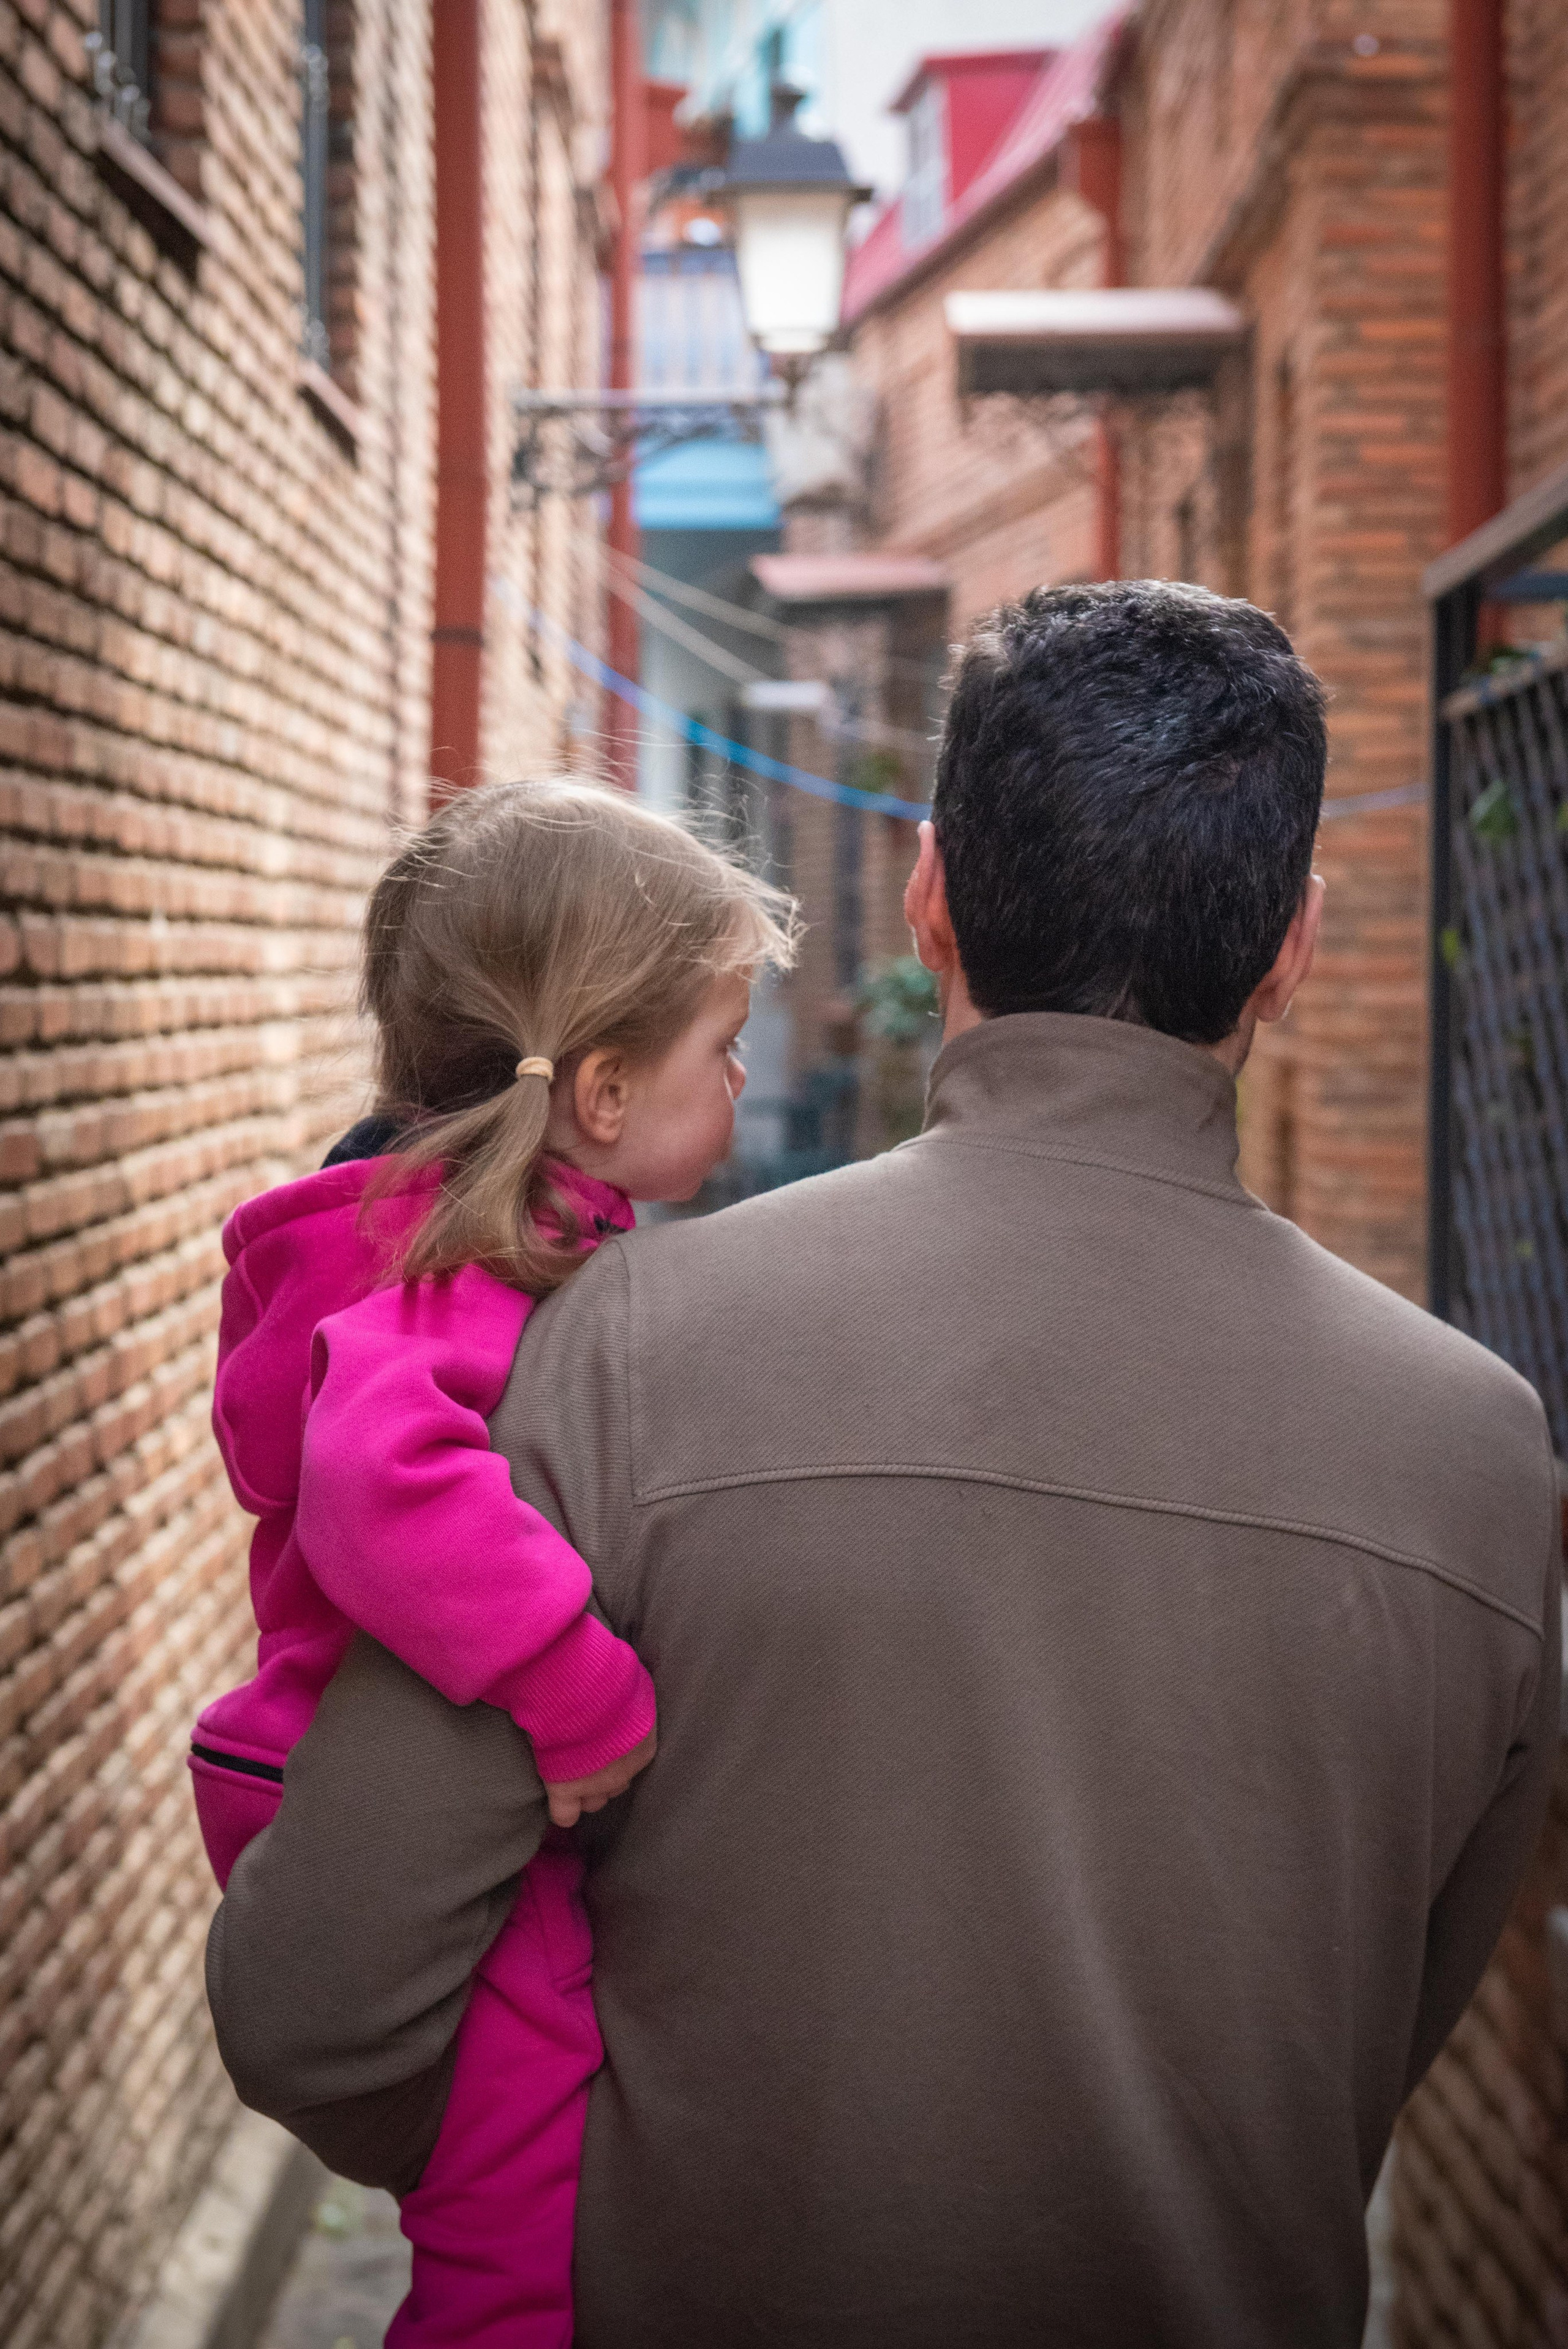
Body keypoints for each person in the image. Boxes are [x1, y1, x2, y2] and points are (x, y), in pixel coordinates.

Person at [208, 583, 1562, 2349]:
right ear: (1291, 945)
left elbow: (317, 2008)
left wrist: (582, 2180)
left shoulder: (616, 1356)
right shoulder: (1478, 1458)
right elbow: (1381, 2021)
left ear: (927, 896)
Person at [192, 778, 795, 2345]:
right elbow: (375, 1474)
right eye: (719, 1050)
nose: (740, 1080)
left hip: (344, 1769)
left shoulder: (425, 1220)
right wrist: (579, 1691)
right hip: (387, 1799)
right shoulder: (462, 1254)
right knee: (511, 2233)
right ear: (598, 1089)